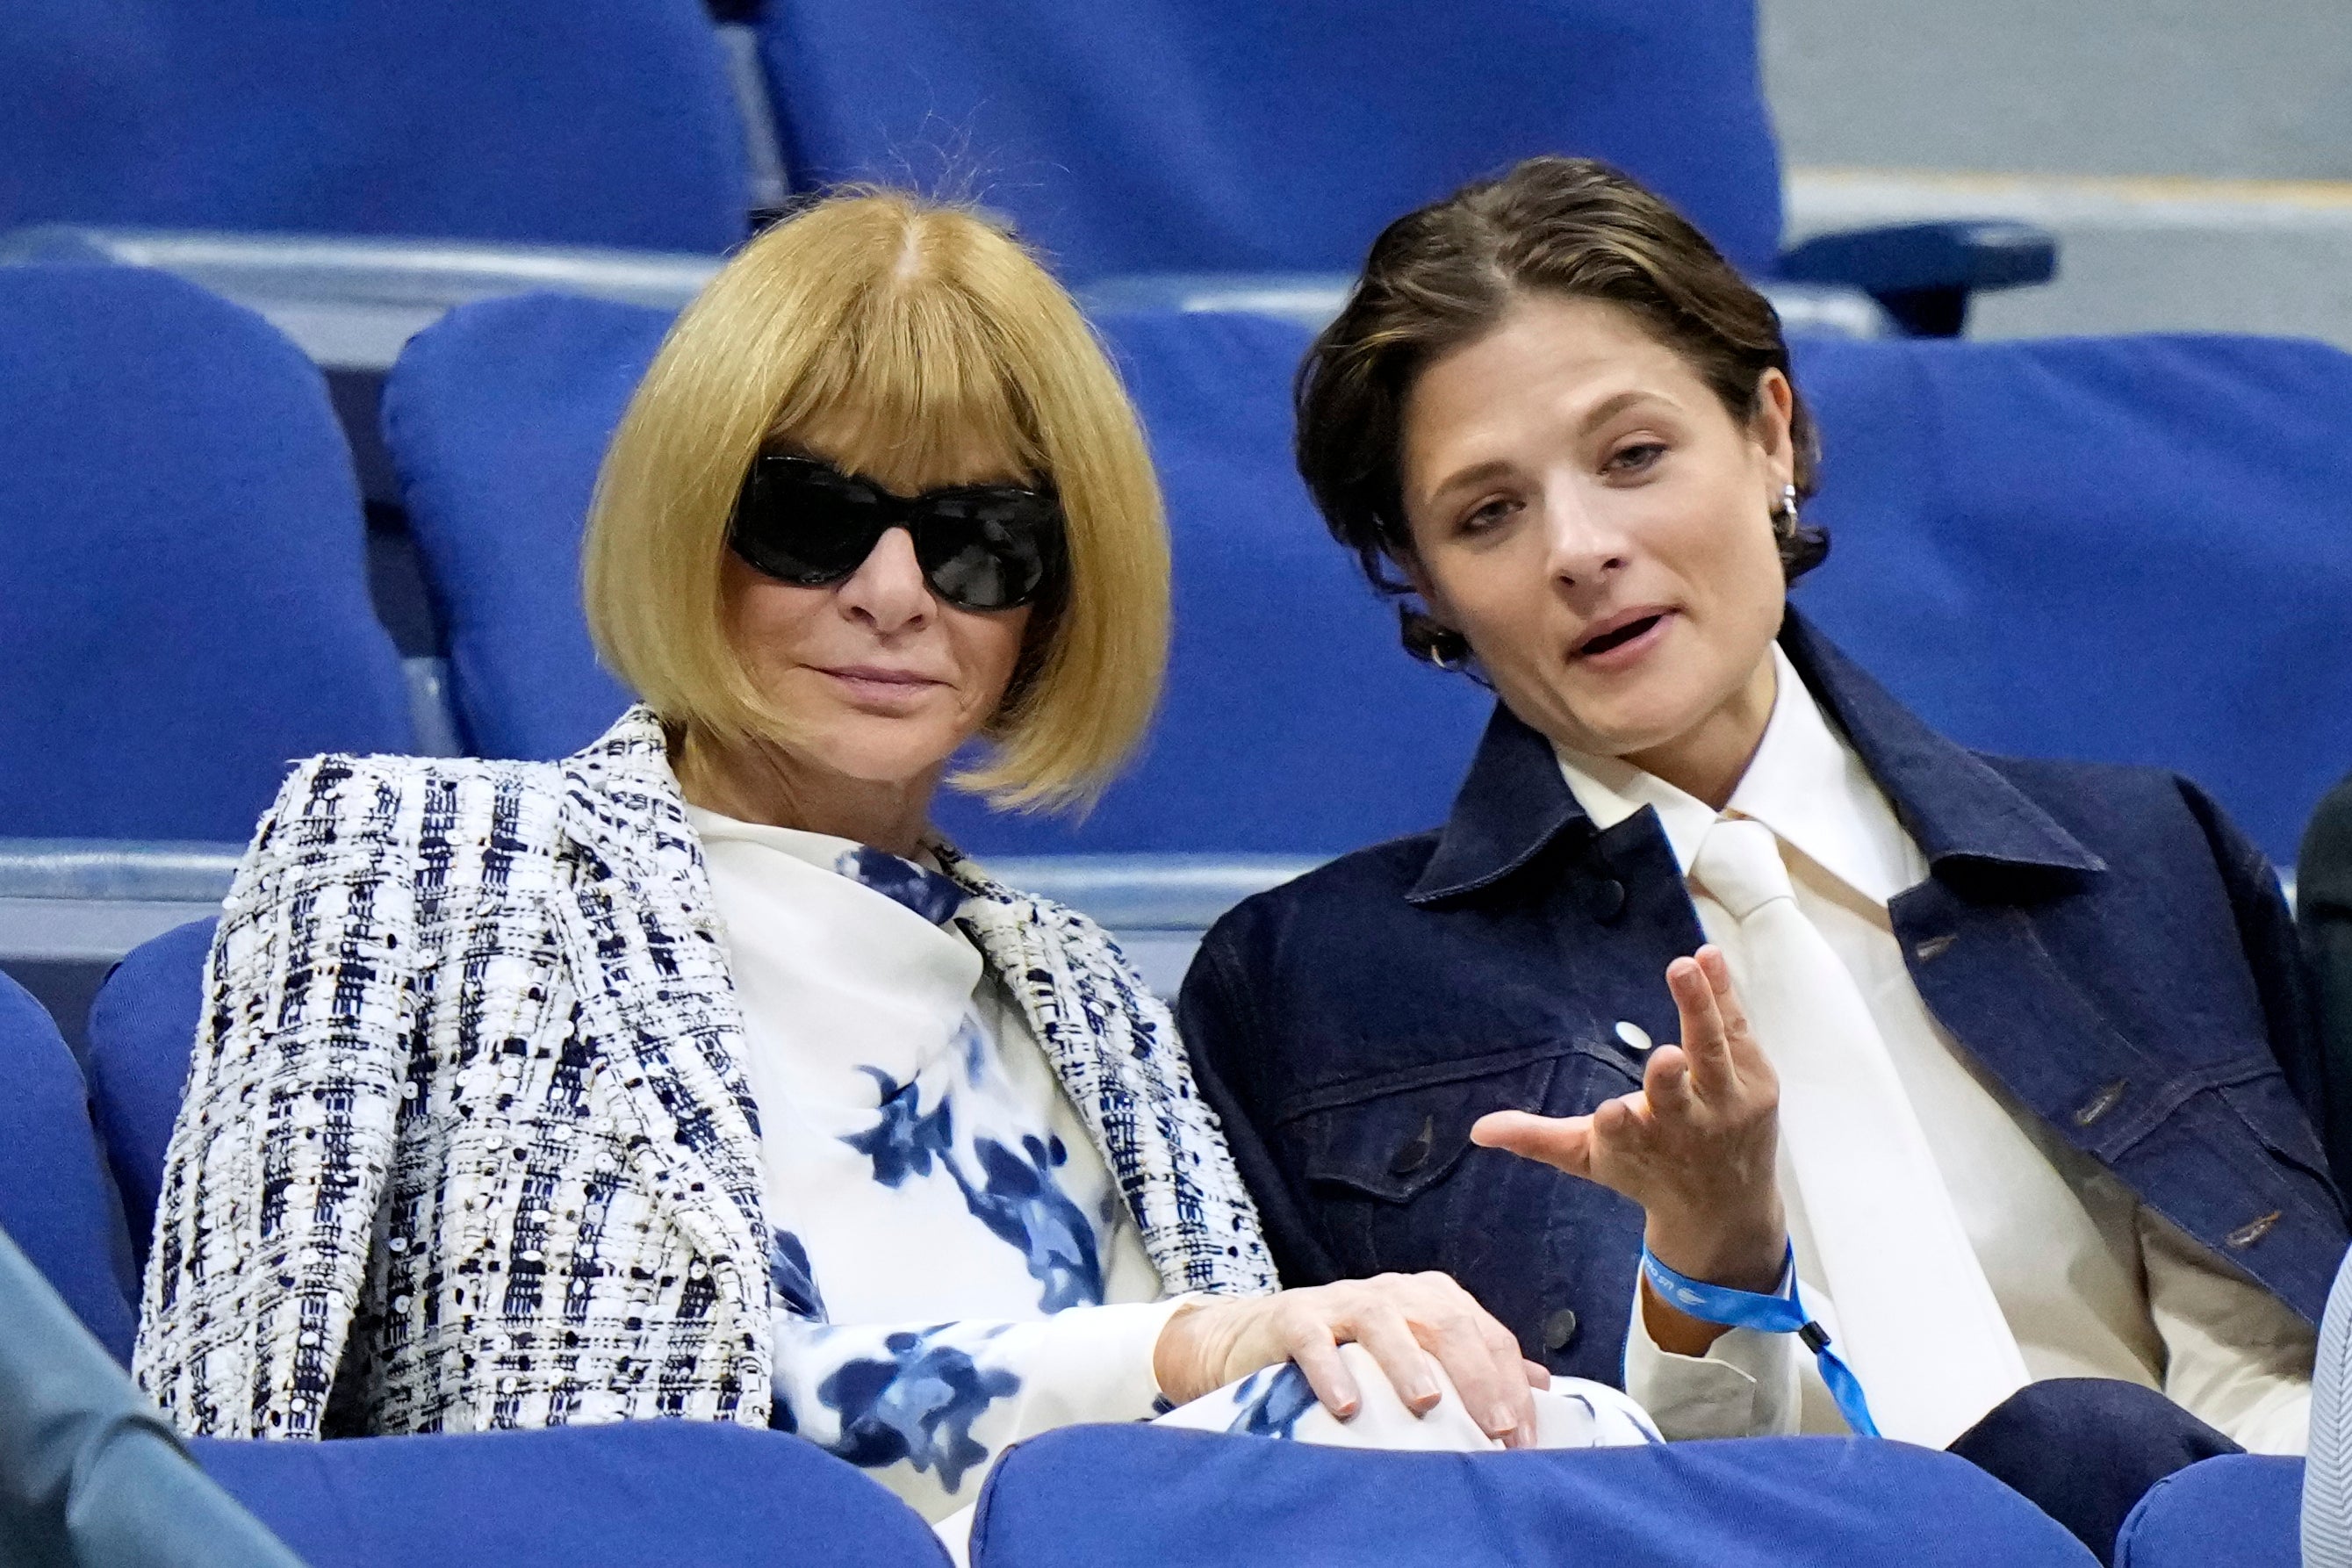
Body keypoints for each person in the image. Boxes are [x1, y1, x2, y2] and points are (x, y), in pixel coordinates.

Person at [133, 190, 1652, 1538]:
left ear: (1049, 603)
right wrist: (1186, 1347)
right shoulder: (410, 860)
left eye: (979, 538)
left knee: (1556, 1429)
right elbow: (211, 1457)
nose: (891, 594)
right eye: (812, 517)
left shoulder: (1090, 992)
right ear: (691, 518)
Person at [1176, 155, 2341, 1563]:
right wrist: (1710, 1270)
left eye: (1633, 456)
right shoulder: (1311, 985)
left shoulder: (2143, 856)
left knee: (2093, 1441)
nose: (1581, 549)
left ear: (1770, 435)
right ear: (1426, 587)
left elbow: (2276, 1370)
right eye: (1488, 514)